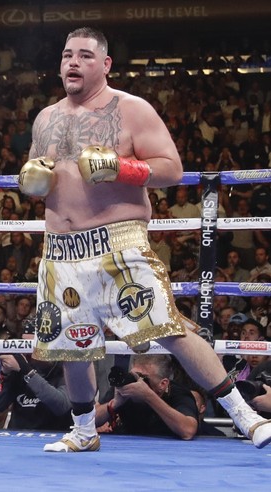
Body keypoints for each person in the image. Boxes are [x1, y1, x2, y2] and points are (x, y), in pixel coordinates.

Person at [17, 27, 271, 452]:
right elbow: (40, 175)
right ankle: (83, 432)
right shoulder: (46, 117)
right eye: (66, 55)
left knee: (170, 328)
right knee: (73, 346)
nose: (72, 63)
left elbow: (171, 168)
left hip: (118, 241)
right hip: (61, 249)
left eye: (84, 55)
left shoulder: (132, 109)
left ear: (105, 64)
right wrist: (33, 182)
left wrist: (122, 168)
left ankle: (247, 418)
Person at [94, 355, 199, 440]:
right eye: (135, 376)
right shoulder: (128, 387)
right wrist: (114, 404)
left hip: (171, 453)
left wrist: (148, 396)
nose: (138, 382)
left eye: (143, 378)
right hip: (128, 450)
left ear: (163, 384)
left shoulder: (178, 393)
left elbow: (188, 431)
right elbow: (88, 421)